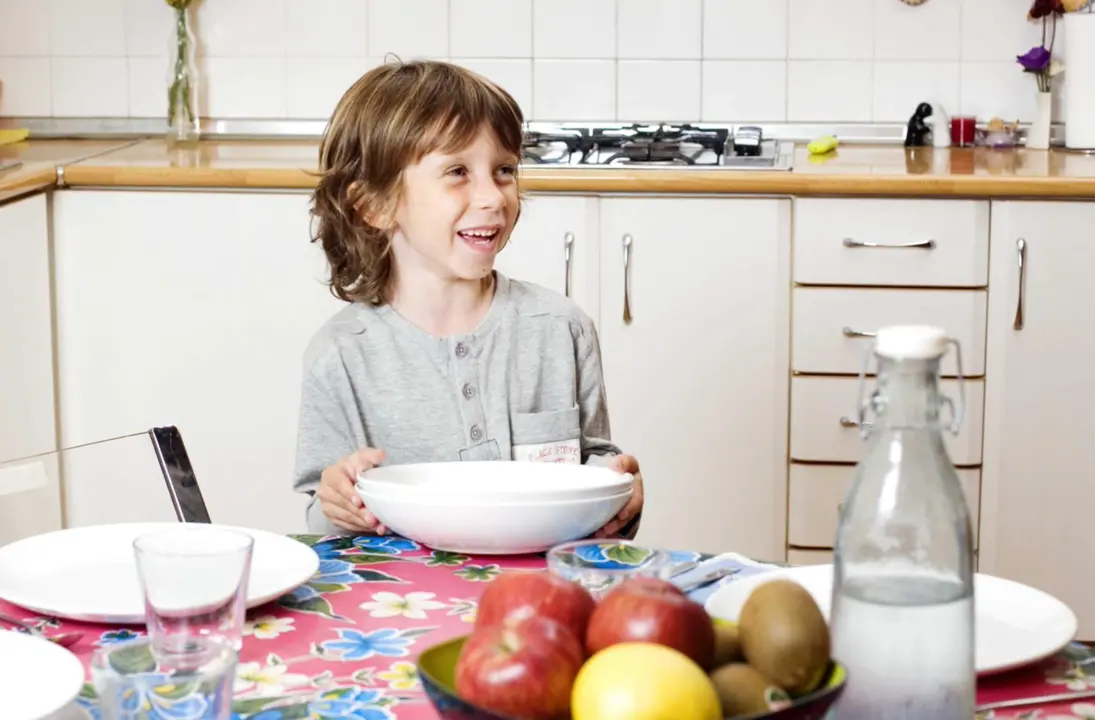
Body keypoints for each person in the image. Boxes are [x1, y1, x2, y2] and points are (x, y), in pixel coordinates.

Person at [292, 58, 644, 540]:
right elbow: (321, 516)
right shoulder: (340, 356)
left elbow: (596, 465)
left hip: (538, 598)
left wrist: (618, 487)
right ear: (374, 205)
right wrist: (337, 504)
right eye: (458, 171)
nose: (494, 197)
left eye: (503, 170)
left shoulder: (561, 329)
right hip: (406, 606)